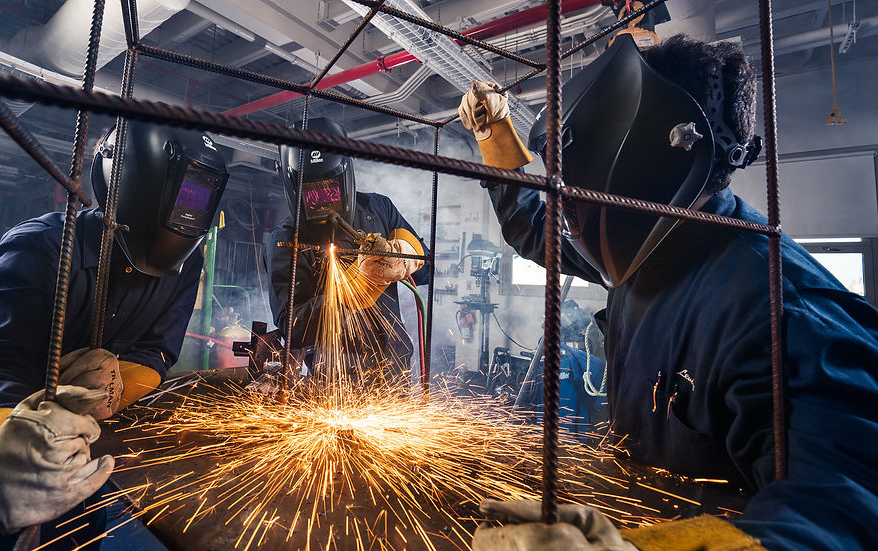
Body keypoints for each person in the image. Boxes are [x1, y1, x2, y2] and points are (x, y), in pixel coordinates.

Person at [458, 34, 878, 550]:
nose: (572, 209)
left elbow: (849, 510)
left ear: (646, 155)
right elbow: (535, 231)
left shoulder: (779, 309)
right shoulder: (645, 248)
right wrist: (499, 148)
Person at [0, 122, 230, 549]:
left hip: (82, 467)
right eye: (182, 196)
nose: (188, 213)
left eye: (197, 199)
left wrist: (116, 383)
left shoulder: (185, 265)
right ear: (124, 184)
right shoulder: (42, 248)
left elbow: (157, 348)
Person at [264, 117, 430, 386]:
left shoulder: (379, 209)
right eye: (313, 194)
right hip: (337, 383)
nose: (325, 203)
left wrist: (403, 255)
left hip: (396, 372)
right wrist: (351, 291)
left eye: (331, 190)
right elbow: (291, 326)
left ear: (346, 175)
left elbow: (427, 269)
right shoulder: (285, 240)